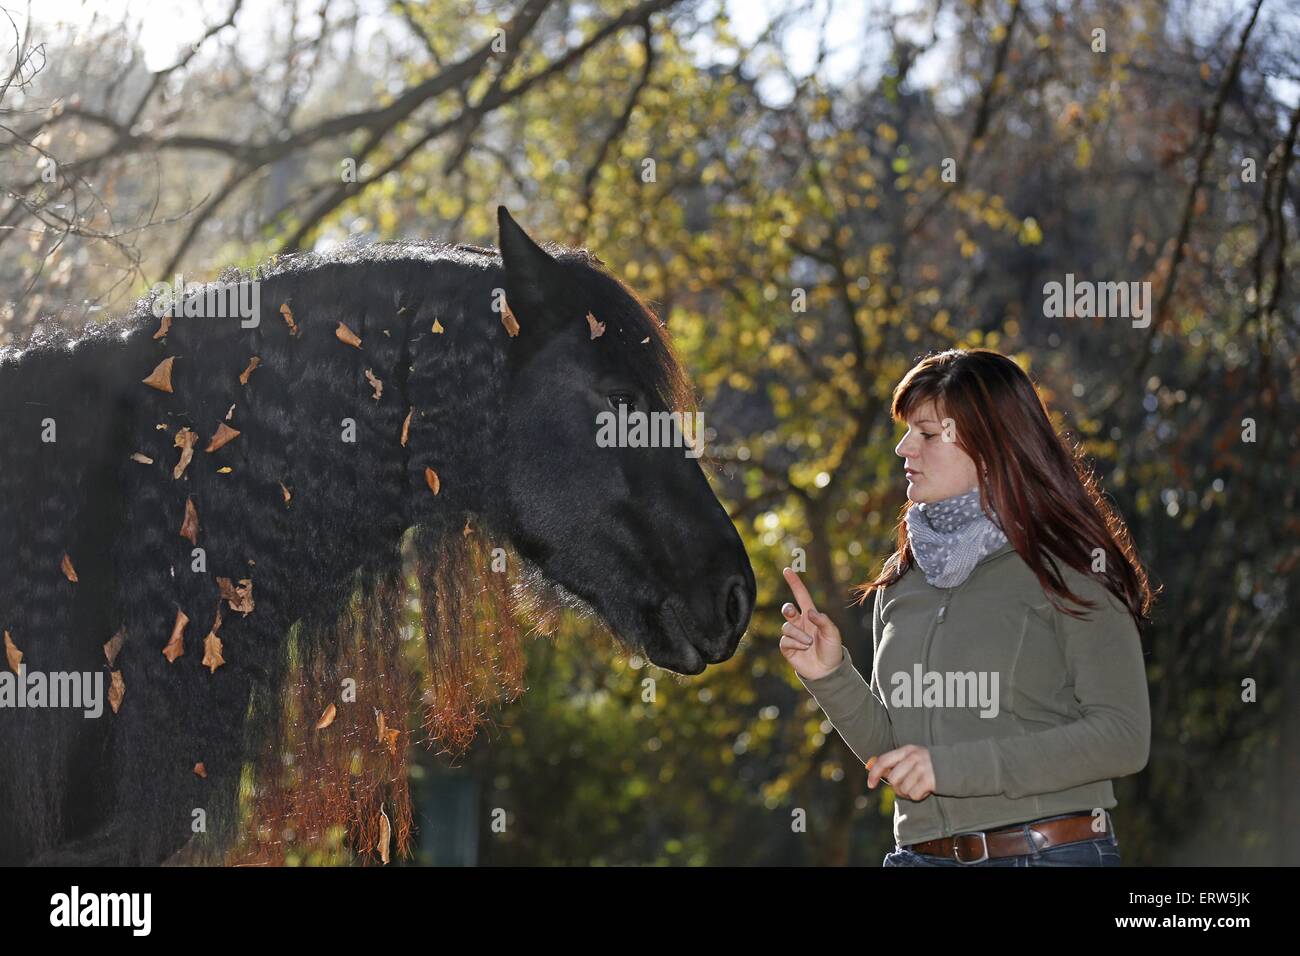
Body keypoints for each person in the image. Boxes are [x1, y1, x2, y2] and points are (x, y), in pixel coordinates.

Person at [782, 348, 1155, 866]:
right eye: (907, 430)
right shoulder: (901, 581)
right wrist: (829, 675)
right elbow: (895, 755)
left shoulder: (1070, 567)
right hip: (917, 857)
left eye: (929, 433)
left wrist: (953, 768)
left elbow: (1123, 737)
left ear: (991, 444)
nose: (903, 447)